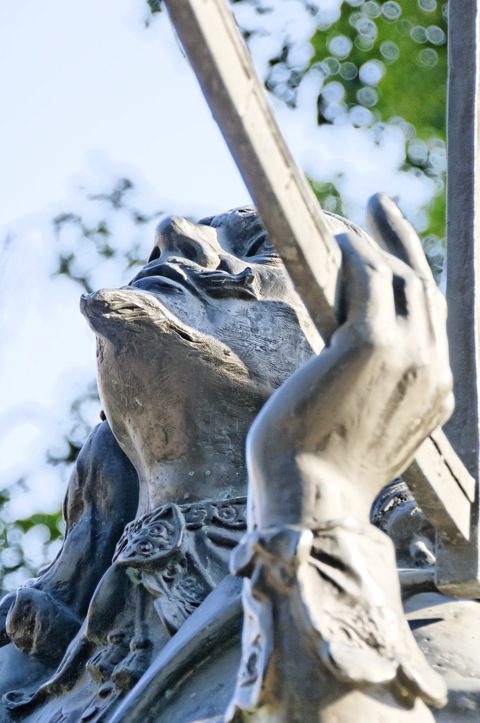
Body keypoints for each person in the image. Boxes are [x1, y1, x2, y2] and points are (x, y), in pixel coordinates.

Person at [0, 198, 454, 722]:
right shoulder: (26, 685)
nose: (173, 233)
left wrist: (314, 498)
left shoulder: (433, 628)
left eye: (267, 246)